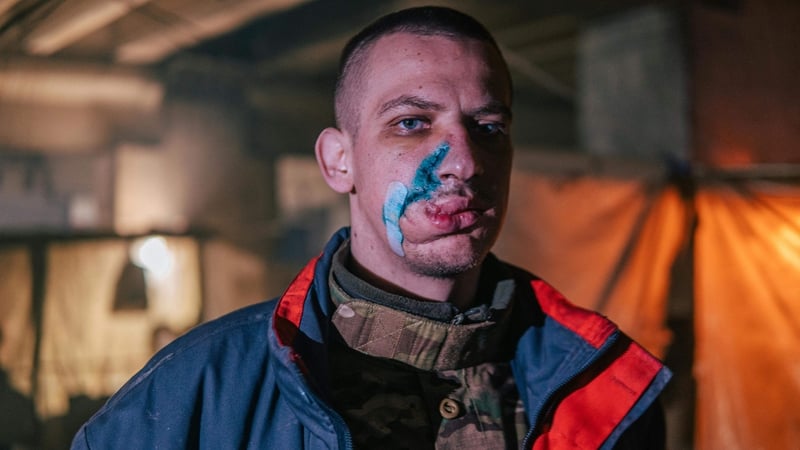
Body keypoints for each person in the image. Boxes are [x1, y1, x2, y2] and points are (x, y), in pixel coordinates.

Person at [72, 6, 670, 449]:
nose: (464, 162)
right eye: (411, 123)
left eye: (489, 128)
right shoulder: (198, 393)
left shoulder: (603, 384)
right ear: (339, 161)